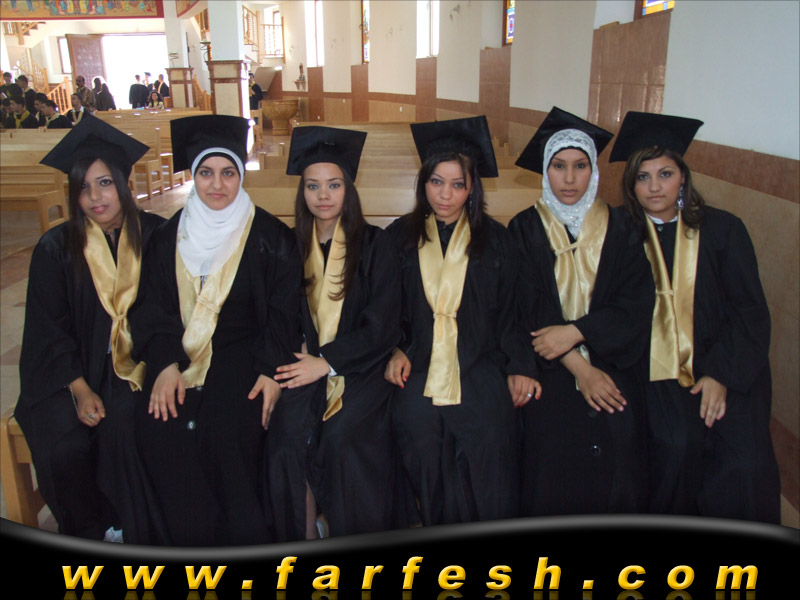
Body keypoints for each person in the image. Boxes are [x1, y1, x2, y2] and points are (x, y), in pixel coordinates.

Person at [130, 115, 304, 546]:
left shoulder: (270, 236)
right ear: (193, 175)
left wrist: (270, 370)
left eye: (228, 173)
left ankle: (243, 540)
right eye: (206, 173)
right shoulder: (167, 237)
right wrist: (164, 364)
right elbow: (151, 307)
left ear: (241, 176)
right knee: (160, 425)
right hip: (179, 353)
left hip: (245, 354)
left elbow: (284, 313)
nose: (217, 185)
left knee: (230, 429)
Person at [610, 111, 781, 524]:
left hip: (726, 365)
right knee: (674, 450)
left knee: (744, 464)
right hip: (655, 368)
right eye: (643, 177)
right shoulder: (620, 234)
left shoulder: (724, 231)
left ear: (683, 177)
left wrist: (721, 374)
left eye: (665, 174)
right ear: (631, 184)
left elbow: (749, 313)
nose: (655, 187)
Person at [13, 115, 168, 544]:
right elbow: (48, 329)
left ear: (124, 183)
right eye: (84, 187)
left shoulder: (156, 236)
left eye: (105, 183)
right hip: (70, 373)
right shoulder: (56, 248)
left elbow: (171, 312)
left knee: (128, 426)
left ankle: (134, 524)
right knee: (66, 444)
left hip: (140, 364)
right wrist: (80, 389)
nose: (96, 197)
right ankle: (89, 531)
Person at [384, 116, 540, 526]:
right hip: (418, 361)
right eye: (437, 182)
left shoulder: (498, 240)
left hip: (480, 361)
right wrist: (396, 347)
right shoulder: (399, 237)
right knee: (417, 429)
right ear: (423, 183)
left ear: (472, 188)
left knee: (491, 436)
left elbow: (513, 311)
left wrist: (520, 365)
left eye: (457, 184)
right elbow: (384, 308)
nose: (445, 194)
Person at [508, 106, 655, 516]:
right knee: (551, 451)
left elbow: (635, 303)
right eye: (559, 166)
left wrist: (577, 332)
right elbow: (524, 306)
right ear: (545, 171)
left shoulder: (622, 226)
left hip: (614, 357)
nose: (570, 179)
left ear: (594, 171)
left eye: (580, 166)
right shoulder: (524, 228)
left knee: (621, 443)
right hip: (549, 364)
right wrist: (580, 368)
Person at [270, 126, 403, 539]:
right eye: (313, 186)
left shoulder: (376, 244)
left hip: (362, 367)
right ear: (303, 193)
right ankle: (305, 535)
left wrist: (327, 362)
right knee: (287, 435)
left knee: (344, 437)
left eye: (333, 185)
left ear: (349, 189)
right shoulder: (291, 246)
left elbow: (383, 324)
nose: (323, 195)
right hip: (305, 363)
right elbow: (280, 314)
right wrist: (301, 354)